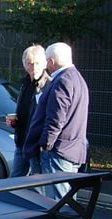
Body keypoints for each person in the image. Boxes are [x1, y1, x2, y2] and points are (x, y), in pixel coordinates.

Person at [23, 42, 89, 200]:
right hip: (71, 149)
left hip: (59, 151)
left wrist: (46, 144)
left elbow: (56, 118)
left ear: (51, 61)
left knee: (58, 202)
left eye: (46, 60)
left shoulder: (62, 80)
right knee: (66, 199)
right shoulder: (77, 78)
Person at [7, 45, 51, 177]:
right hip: (21, 141)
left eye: (37, 63)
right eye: (30, 63)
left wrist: (43, 142)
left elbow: (51, 117)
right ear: (25, 64)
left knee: (36, 184)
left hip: (36, 145)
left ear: (44, 63)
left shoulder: (49, 85)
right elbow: (25, 111)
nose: (34, 67)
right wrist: (14, 121)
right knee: (14, 181)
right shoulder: (25, 83)